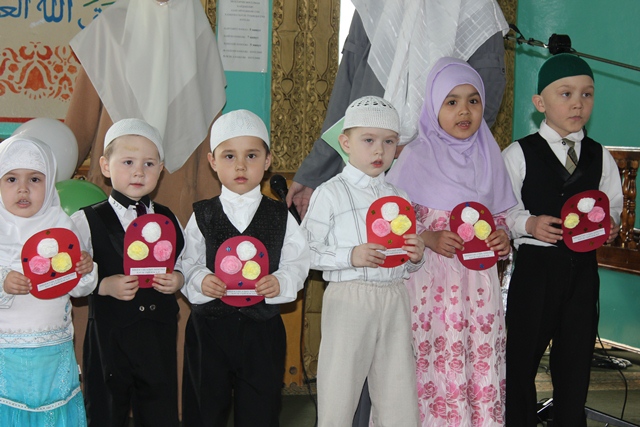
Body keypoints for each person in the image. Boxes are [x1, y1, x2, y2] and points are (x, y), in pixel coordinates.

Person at [288, 1, 509, 220]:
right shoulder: (375, 4)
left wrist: (420, 151)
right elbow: (346, 97)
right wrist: (314, 174)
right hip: (363, 166)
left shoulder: (478, 8)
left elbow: (480, 110)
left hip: (438, 182)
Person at [385, 57, 516, 426]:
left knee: (479, 364)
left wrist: (503, 236)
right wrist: (427, 237)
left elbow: (501, 216)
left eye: (473, 101)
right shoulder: (414, 156)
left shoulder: (490, 154)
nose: (464, 111)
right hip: (430, 289)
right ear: (433, 106)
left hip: (478, 291)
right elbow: (393, 226)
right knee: (431, 367)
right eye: (452, 101)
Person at [502, 53, 623, 427]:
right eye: (566, 94)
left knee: (575, 359)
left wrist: (612, 224)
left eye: (587, 94)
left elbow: (613, 203)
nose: (577, 103)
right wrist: (528, 223)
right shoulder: (519, 153)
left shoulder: (600, 155)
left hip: (582, 272)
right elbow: (501, 210)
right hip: (536, 271)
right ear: (540, 103)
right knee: (521, 358)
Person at [180, 109, 310, 426]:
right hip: (210, 329)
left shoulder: (281, 216)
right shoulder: (202, 214)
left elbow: (298, 260)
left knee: (260, 409)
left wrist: (281, 281)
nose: (240, 166)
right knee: (205, 408)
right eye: (229, 156)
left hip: (262, 330)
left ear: (267, 161)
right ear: (212, 161)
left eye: (251, 155)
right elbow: (187, 260)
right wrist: (200, 279)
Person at [302, 96, 426, 426]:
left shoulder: (400, 197)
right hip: (349, 299)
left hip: (394, 299)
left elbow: (405, 262)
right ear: (346, 143)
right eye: (368, 140)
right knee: (339, 393)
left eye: (389, 142)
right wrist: (350, 256)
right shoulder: (330, 193)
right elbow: (304, 251)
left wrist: (415, 257)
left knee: (398, 395)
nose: (379, 151)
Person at [65, 0, 226, 225]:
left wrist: (212, 211)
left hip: (177, 194)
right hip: (113, 189)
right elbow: (81, 119)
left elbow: (207, 126)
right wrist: (55, 176)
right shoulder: (109, 28)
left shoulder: (197, 32)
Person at [71, 119, 186, 427]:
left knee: (159, 409)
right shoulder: (86, 220)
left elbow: (186, 260)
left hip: (158, 333)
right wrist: (102, 285)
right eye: (128, 162)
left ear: (161, 170)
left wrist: (179, 279)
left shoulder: (168, 218)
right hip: (109, 334)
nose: (139, 172)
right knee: (106, 408)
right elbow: (72, 275)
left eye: (149, 163)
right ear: (105, 166)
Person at [0, 135, 98, 426]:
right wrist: (3, 282)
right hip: (5, 348)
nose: (23, 189)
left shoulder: (61, 225)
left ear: (51, 181)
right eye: (11, 179)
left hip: (52, 346)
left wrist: (84, 268)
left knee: (52, 411)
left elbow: (79, 288)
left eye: (35, 179)